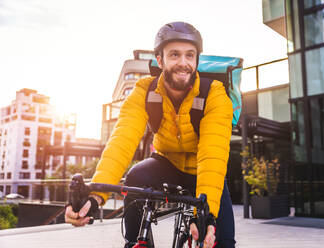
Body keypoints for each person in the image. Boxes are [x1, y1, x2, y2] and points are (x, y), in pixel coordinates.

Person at [65, 21, 235, 248]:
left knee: (222, 242)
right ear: (160, 59)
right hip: (166, 162)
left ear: (196, 60)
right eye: (174, 55)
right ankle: (137, 242)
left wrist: (207, 214)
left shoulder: (214, 94)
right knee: (136, 176)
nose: (183, 63)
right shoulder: (144, 91)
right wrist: (96, 195)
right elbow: (121, 142)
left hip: (204, 171)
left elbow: (212, 154)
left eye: (190, 55)